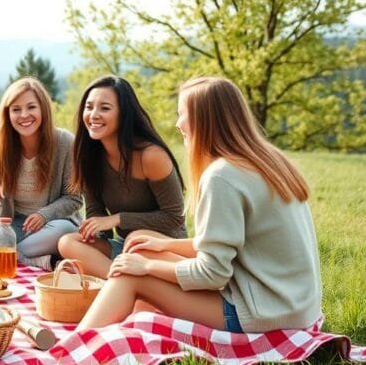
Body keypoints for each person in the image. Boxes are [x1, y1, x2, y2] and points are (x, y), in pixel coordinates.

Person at [77, 77, 323, 333]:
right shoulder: (268, 160)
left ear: (203, 120)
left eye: (182, 114)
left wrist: (147, 267)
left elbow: (213, 274)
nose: (177, 123)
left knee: (129, 274)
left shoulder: (222, 176)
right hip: (295, 307)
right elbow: (237, 245)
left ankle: (70, 353)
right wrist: (165, 245)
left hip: (262, 313)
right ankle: (128, 321)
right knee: (139, 252)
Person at [58, 75, 186, 278]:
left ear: (124, 114)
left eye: (105, 108)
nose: (94, 115)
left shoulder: (151, 156)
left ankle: (127, 285)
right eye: (89, 107)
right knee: (67, 242)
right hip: (127, 249)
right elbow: (96, 214)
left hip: (163, 251)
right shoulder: (89, 156)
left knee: (138, 237)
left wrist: (117, 219)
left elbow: (174, 218)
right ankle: (118, 283)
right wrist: (95, 235)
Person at [0, 77, 82, 269]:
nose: (24, 115)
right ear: (7, 114)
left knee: (66, 231)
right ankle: (38, 260)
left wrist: (44, 215)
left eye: (31, 107)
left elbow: (74, 199)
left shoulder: (65, 143)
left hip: (50, 226)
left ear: (43, 108)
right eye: (16, 109)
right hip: (11, 226)